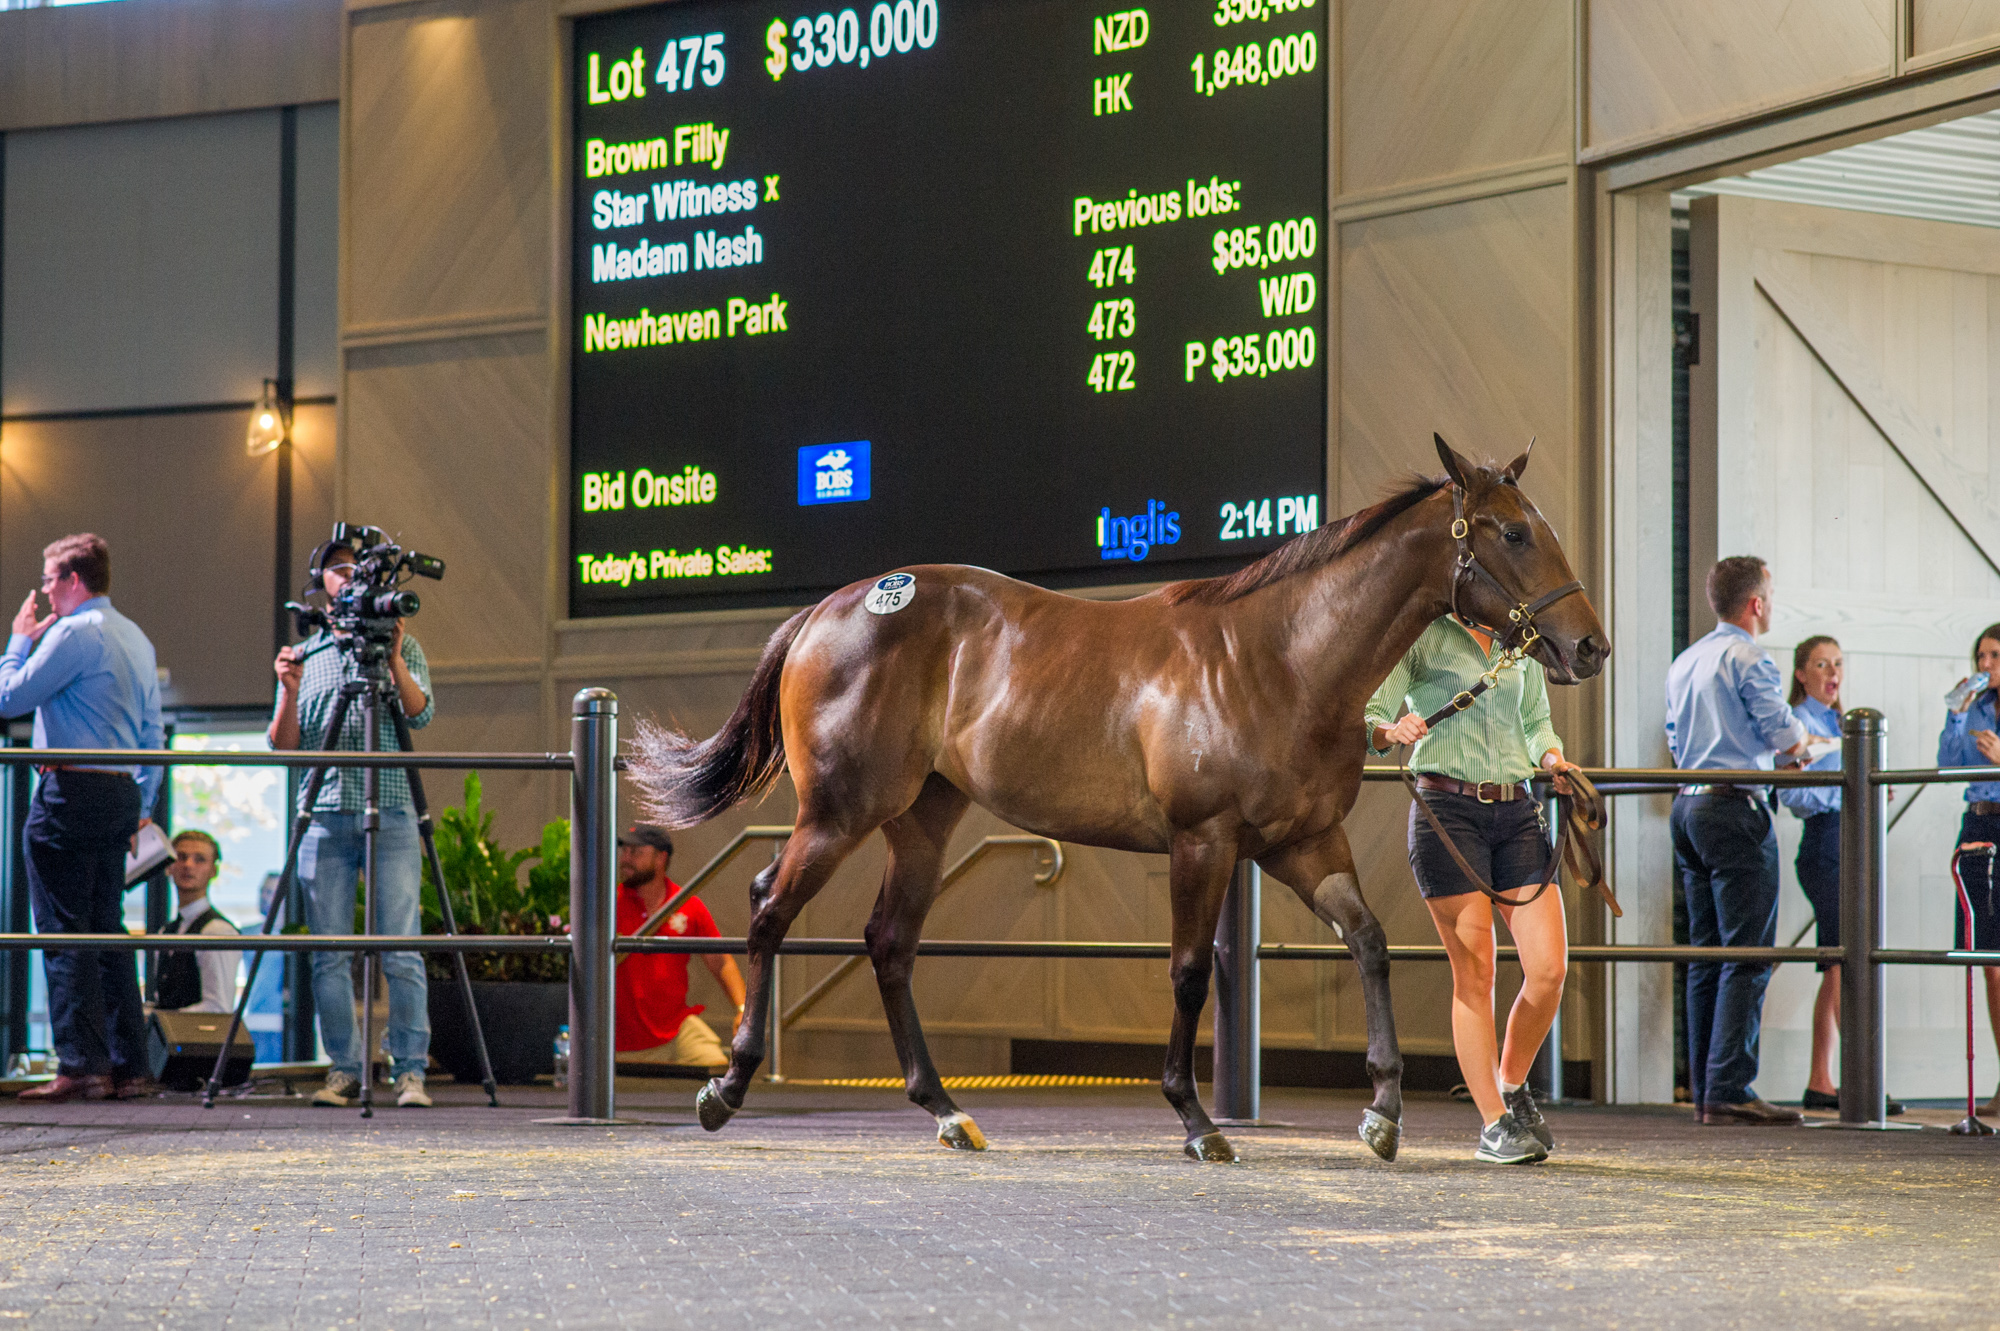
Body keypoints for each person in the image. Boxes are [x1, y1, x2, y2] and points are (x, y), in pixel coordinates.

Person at [1366, 613, 1583, 1164]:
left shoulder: (1521, 644)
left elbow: (1536, 724)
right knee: (1477, 972)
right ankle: (1493, 1125)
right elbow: (1369, 715)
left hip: (1516, 812)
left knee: (1550, 968)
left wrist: (1553, 760)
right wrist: (1393, 731)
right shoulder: (1423, 634)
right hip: (1446, 809)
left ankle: (1511, 1086)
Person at [270, 538, 435, 1109]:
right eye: (336, 569)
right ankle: (343, 1068)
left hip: (389, 810)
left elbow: (422, 712)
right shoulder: (307, 654)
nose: (349, 576)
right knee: (330, 952)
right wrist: (288, 693)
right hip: (324, 813)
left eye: (354, 566)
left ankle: (410, 1070)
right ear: (321, 583)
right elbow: (285, 748)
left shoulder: (399, 644)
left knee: (401, 949)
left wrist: (392, 658)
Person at [0, 534, 163, 1103]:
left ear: (72, 580)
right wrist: (142, 804)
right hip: (120, 792)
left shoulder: (72, 633)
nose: (43, 590)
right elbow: (152, 735)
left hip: (68, 790)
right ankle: (130, 1067)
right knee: (107, 930)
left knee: (65, 929)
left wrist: (18, 643)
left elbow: (8, 697)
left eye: (48, 580)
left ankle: (81, 1065)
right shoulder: (135, 637)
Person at [1665, 556, 1811, 1126]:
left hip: (1688, 806)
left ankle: (1707, 1088)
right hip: (1733, 806)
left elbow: (1674, 736)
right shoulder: (1749, 656)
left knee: (1707, 954)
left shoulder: (1686, 659)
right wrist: (1804, 744)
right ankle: (1731, 1086)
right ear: (1755, 603)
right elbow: (1781, 731)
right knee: (1748, 953)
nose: (1772, 604)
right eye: (1770, 595)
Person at [615, 824, 745, 1071]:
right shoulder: (608, 903)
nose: (626, 859)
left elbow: (721, 961)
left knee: (717, 1070)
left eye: (636, 852)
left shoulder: (688, 905)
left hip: (675, 1029)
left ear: (661, 858)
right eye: (625, 851)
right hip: (618, 1038)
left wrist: (743, 1010)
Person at [1937, 622, 2000, 1117]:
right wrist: (1954, 717)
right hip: (1976, 824)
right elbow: (1947, 766)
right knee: (1987, 958)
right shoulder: (1976, 708)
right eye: (1981, 656)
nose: (1985, 666)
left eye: (1995, 656)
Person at [151, 830, 241, 1014]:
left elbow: (219, 1008)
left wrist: (164, 1019)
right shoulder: (166, 931)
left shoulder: (218, 931)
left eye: (199, 859)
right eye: (181, 857)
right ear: (169, 866)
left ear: (213, 871)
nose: (188, 865)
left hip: (202, 1041)